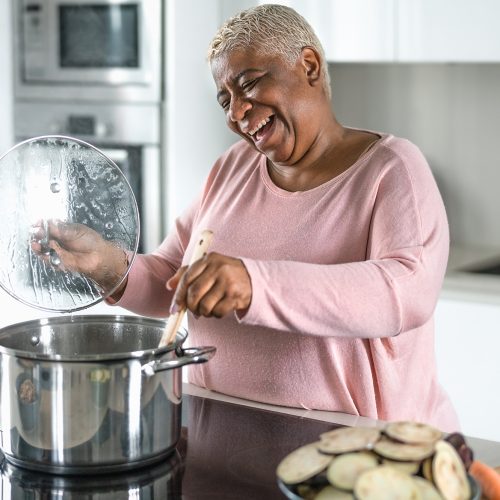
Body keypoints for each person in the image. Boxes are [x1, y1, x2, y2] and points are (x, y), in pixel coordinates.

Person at [39, 4, 459, 431]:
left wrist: (255, 284)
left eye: (250, 84)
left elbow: (405, 292)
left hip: (355, 452)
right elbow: (173, 280)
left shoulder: (390, 168)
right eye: (226, 100)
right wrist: (108, 265)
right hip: (218, 432)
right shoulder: (232, 167)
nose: (237, 114)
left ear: (308, 66)